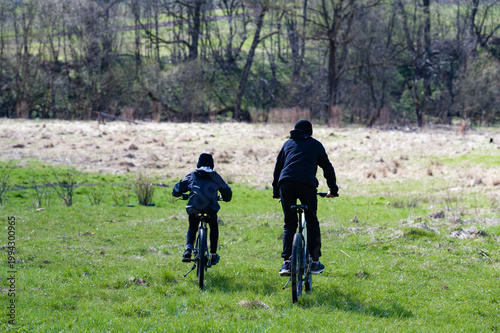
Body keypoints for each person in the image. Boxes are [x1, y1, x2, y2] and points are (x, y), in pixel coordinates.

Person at [272, 119, 338, 276]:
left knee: (289, 223)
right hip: (306, 184)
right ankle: (315, 262)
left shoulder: (287, 144)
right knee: (312, 220)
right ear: (310, 132)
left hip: (285, 183)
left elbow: (278, 168)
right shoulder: (315, 145)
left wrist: (276, 191)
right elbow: (327, 168)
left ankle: (287, 262)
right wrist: (333, 189)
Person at [172, 153, 232, 265]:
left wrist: (180, 193)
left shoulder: (193, 175)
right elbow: (227, 192)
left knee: (192, 226)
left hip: (195, 208)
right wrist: (225, 198)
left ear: (198, 163)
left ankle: (188, 248)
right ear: (212, 164)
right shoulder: (215, 176)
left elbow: (177, 189)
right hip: (210, 208)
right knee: (213, 226)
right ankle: (213, 255)